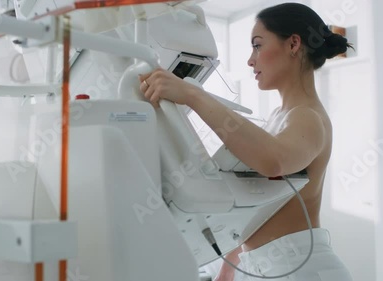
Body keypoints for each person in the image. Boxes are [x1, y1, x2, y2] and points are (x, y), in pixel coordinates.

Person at [139, 3, 353, 281]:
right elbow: (259, 208)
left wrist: (193, 95)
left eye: (257, 45)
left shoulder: (308, 118)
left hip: (303, 270)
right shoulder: (281, 117)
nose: (251, 60)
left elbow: (273, 161)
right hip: (266, 268)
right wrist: (228, 270)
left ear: (293, 44)